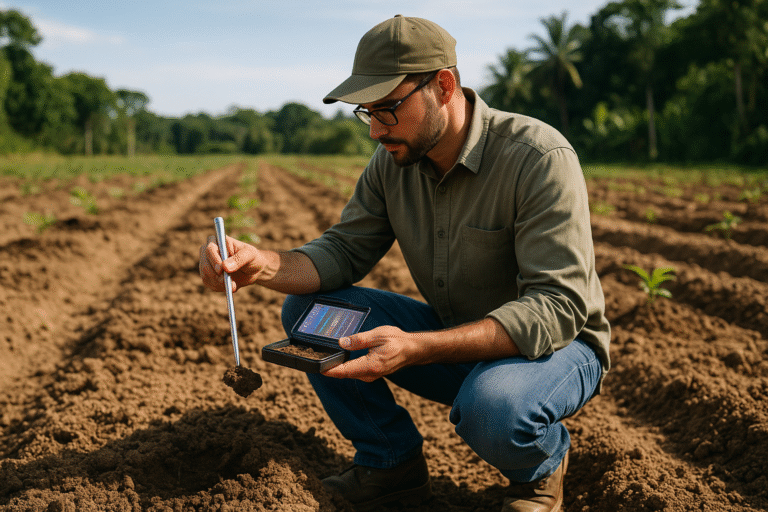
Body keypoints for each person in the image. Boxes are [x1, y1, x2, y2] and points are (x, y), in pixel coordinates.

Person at [199, 14, 610, 512]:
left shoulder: (537, 157)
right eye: (366, 112)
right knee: (308, 316)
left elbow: (557, 307)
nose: (375, 129)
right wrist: (261, 264)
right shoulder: (394, 163)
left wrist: (417, 347)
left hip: (555, 351)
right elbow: (344, 250)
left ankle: (538, 471)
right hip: (456, 336)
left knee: (494, 408)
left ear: (443, 85)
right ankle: (390, 465)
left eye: (388, 109)